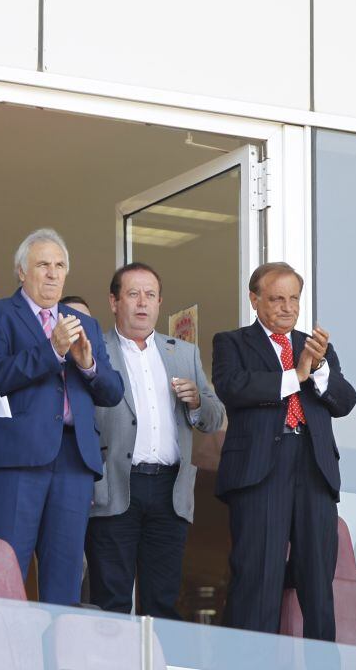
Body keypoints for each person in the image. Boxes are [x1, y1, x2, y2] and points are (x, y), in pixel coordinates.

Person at [0, 228, 124, 605]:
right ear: (22, 272)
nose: (53, 273)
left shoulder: (83, 323)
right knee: (6, 575)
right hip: (15, 460)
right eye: (43, 265)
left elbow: (113, 391)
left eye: (60, 265)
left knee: (65, 580)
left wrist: (87, 364)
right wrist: (52, 351)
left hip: (73, 460)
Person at [212, 262, 356, 640]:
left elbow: (344, 401)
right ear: (254, 299)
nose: (287, 307)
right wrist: (297, 376)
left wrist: (320, 365)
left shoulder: (315, 347)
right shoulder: (232, 342)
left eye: (294, 298)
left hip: (313, 468)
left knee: (318, 585)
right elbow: (234, 387)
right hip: (261, 470)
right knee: (257, 578)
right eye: (277, 299)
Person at [86, 262, 224, 618]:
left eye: (150, 295)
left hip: (170, 490)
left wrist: (196, 402)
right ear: (114, 302)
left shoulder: (183, 353)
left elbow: (215, 417)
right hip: (115, 483)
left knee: (162, 601)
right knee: (111, 599)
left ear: (160, 303)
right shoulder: (94, 349)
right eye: (133, 294)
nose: (142, 303)